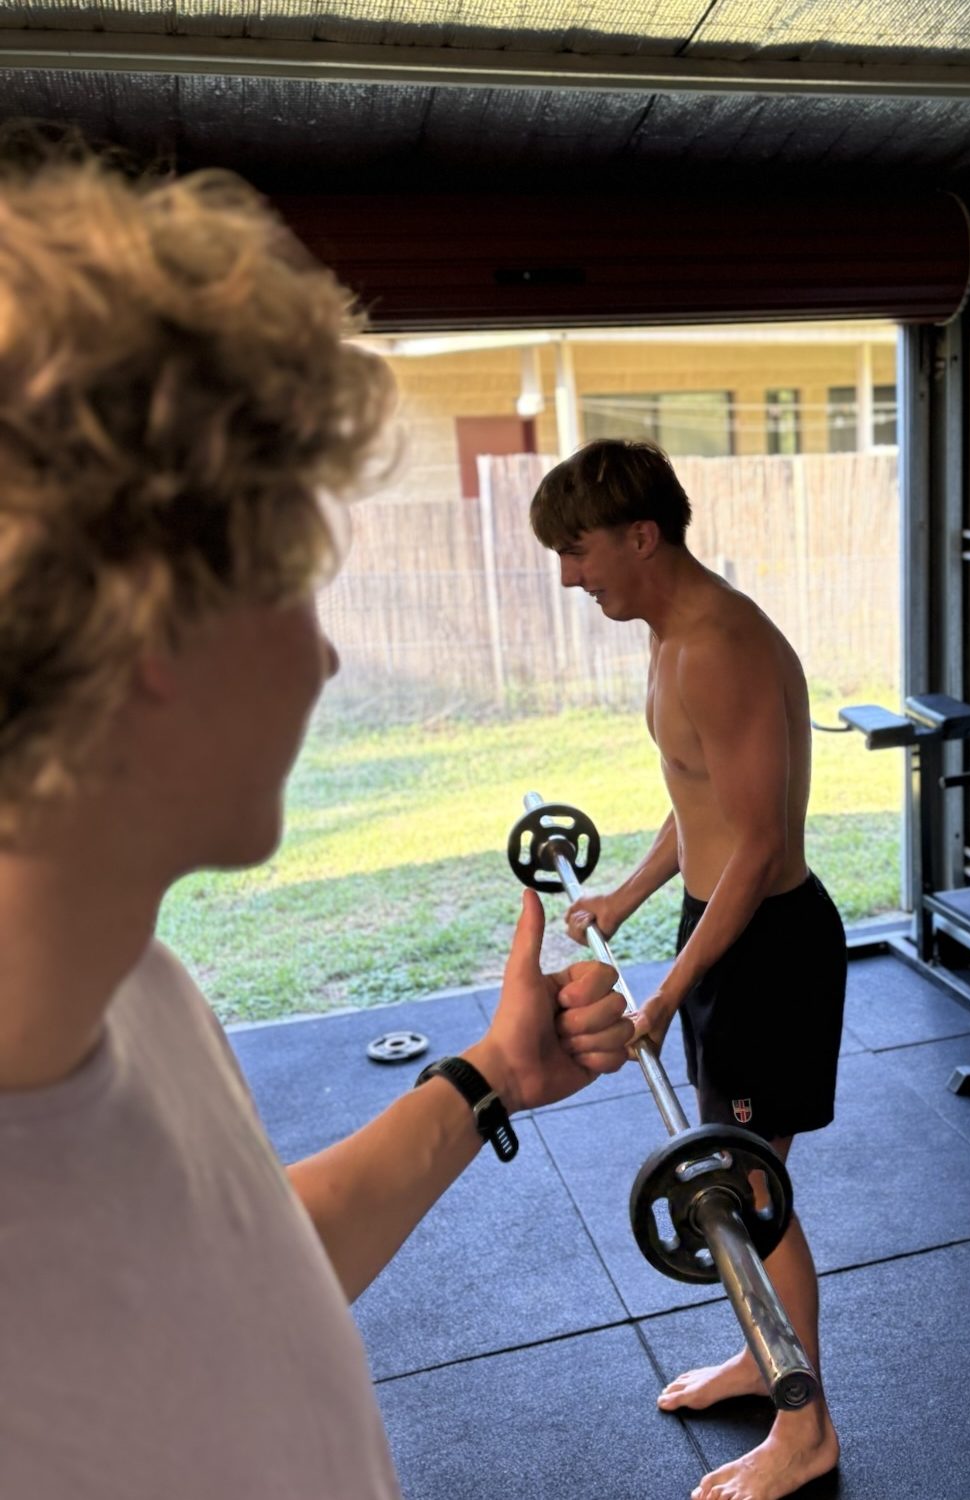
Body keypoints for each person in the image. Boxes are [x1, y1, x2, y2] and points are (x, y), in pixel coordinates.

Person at [0, 136, 635, 1499]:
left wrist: (489, 1080)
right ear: (147, 618)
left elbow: (240, 1275)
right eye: (298, 577)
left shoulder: (136, 990)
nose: (329, 660)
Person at [530, 438, 846, 1500]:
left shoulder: (720, 645)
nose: (572, 576)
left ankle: (806, 1433)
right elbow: (699, 799)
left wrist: (667, 992)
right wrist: (627, 896)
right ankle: (764, 1366)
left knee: (750, 1192)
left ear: (641, 535)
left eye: (578, 553)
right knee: (731, 1182)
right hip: (724, 929)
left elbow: (758, 842)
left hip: (768, 945)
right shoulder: (669, 636)